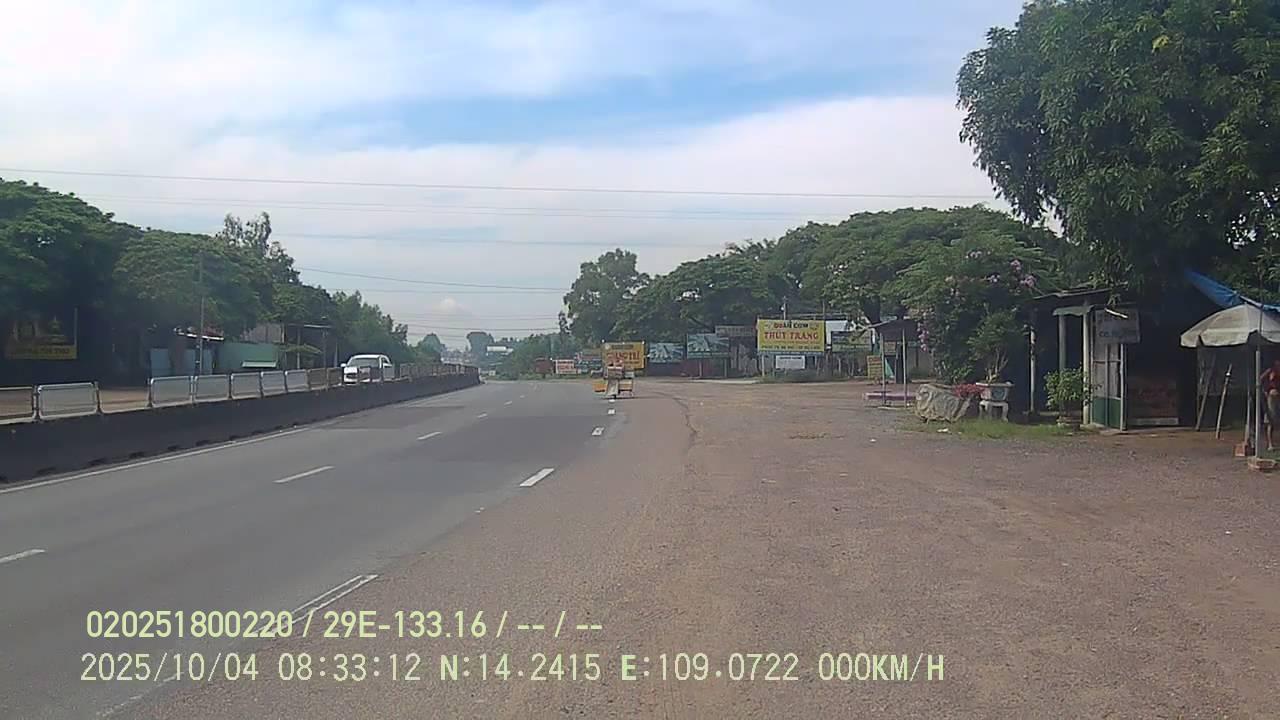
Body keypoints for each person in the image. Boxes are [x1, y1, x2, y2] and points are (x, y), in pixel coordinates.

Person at [1261, 359, 1280, 451]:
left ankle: (1273, 443)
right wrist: (1265, 390)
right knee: (1270, 420)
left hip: (1277, 396)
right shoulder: (1270, 370)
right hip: (1272, 396)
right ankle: (1270, 444)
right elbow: (1260, 379)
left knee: (1275, 420)